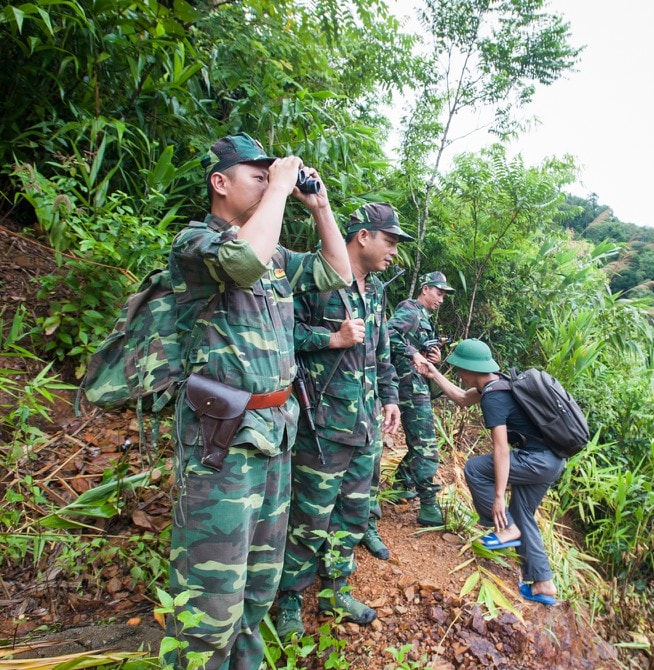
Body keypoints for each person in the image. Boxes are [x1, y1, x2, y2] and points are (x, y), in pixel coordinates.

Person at [167, 132, 351, 669]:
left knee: (256, 585)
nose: (270, 183)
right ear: (219, 183)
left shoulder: (274, 259)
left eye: (272, 175)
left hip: (274, 434)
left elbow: (338, 273)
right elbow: (243, 260)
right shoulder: (196, 244)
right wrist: (281, 186)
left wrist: (319, 205)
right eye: (258, 174)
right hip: (220, 440)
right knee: (211, 591)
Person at [273, 202, 410, 636]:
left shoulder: (377, 290)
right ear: (363, 236)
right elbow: (277, 335)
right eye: (389, 241)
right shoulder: (314, 281)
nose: (393, 251)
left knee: (350, 515)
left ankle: (334, 590)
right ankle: (290, 598)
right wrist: (330, 338)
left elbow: (381, 351)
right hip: (323, 426)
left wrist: (390, 399)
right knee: (309, 517)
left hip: (365, 426)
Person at [414, 339, 564, 606]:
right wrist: (433, 373)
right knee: (522, 515)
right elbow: (461, 398)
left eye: (459, 368)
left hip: (537, 460)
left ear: (470, 368)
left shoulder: (494, 397)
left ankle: (506, 530)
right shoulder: (499, 383)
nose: (458, 374)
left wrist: (497, 498)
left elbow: (501, 451)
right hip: (553, 459)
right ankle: (544, 585)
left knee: (476, 469)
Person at [385, 271, 456, 526]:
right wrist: (414, 353)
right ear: (425, 289)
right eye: (438, 293)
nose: (441, 299)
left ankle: (402, 483)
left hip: (416, 384)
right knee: (426, 444)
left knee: (420, 441)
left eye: (444, 295)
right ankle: (428, 506)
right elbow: (388, 333)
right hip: (406, 385)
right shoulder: (410, 309)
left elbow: (418, 349)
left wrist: (432, 358)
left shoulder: (424, 318)